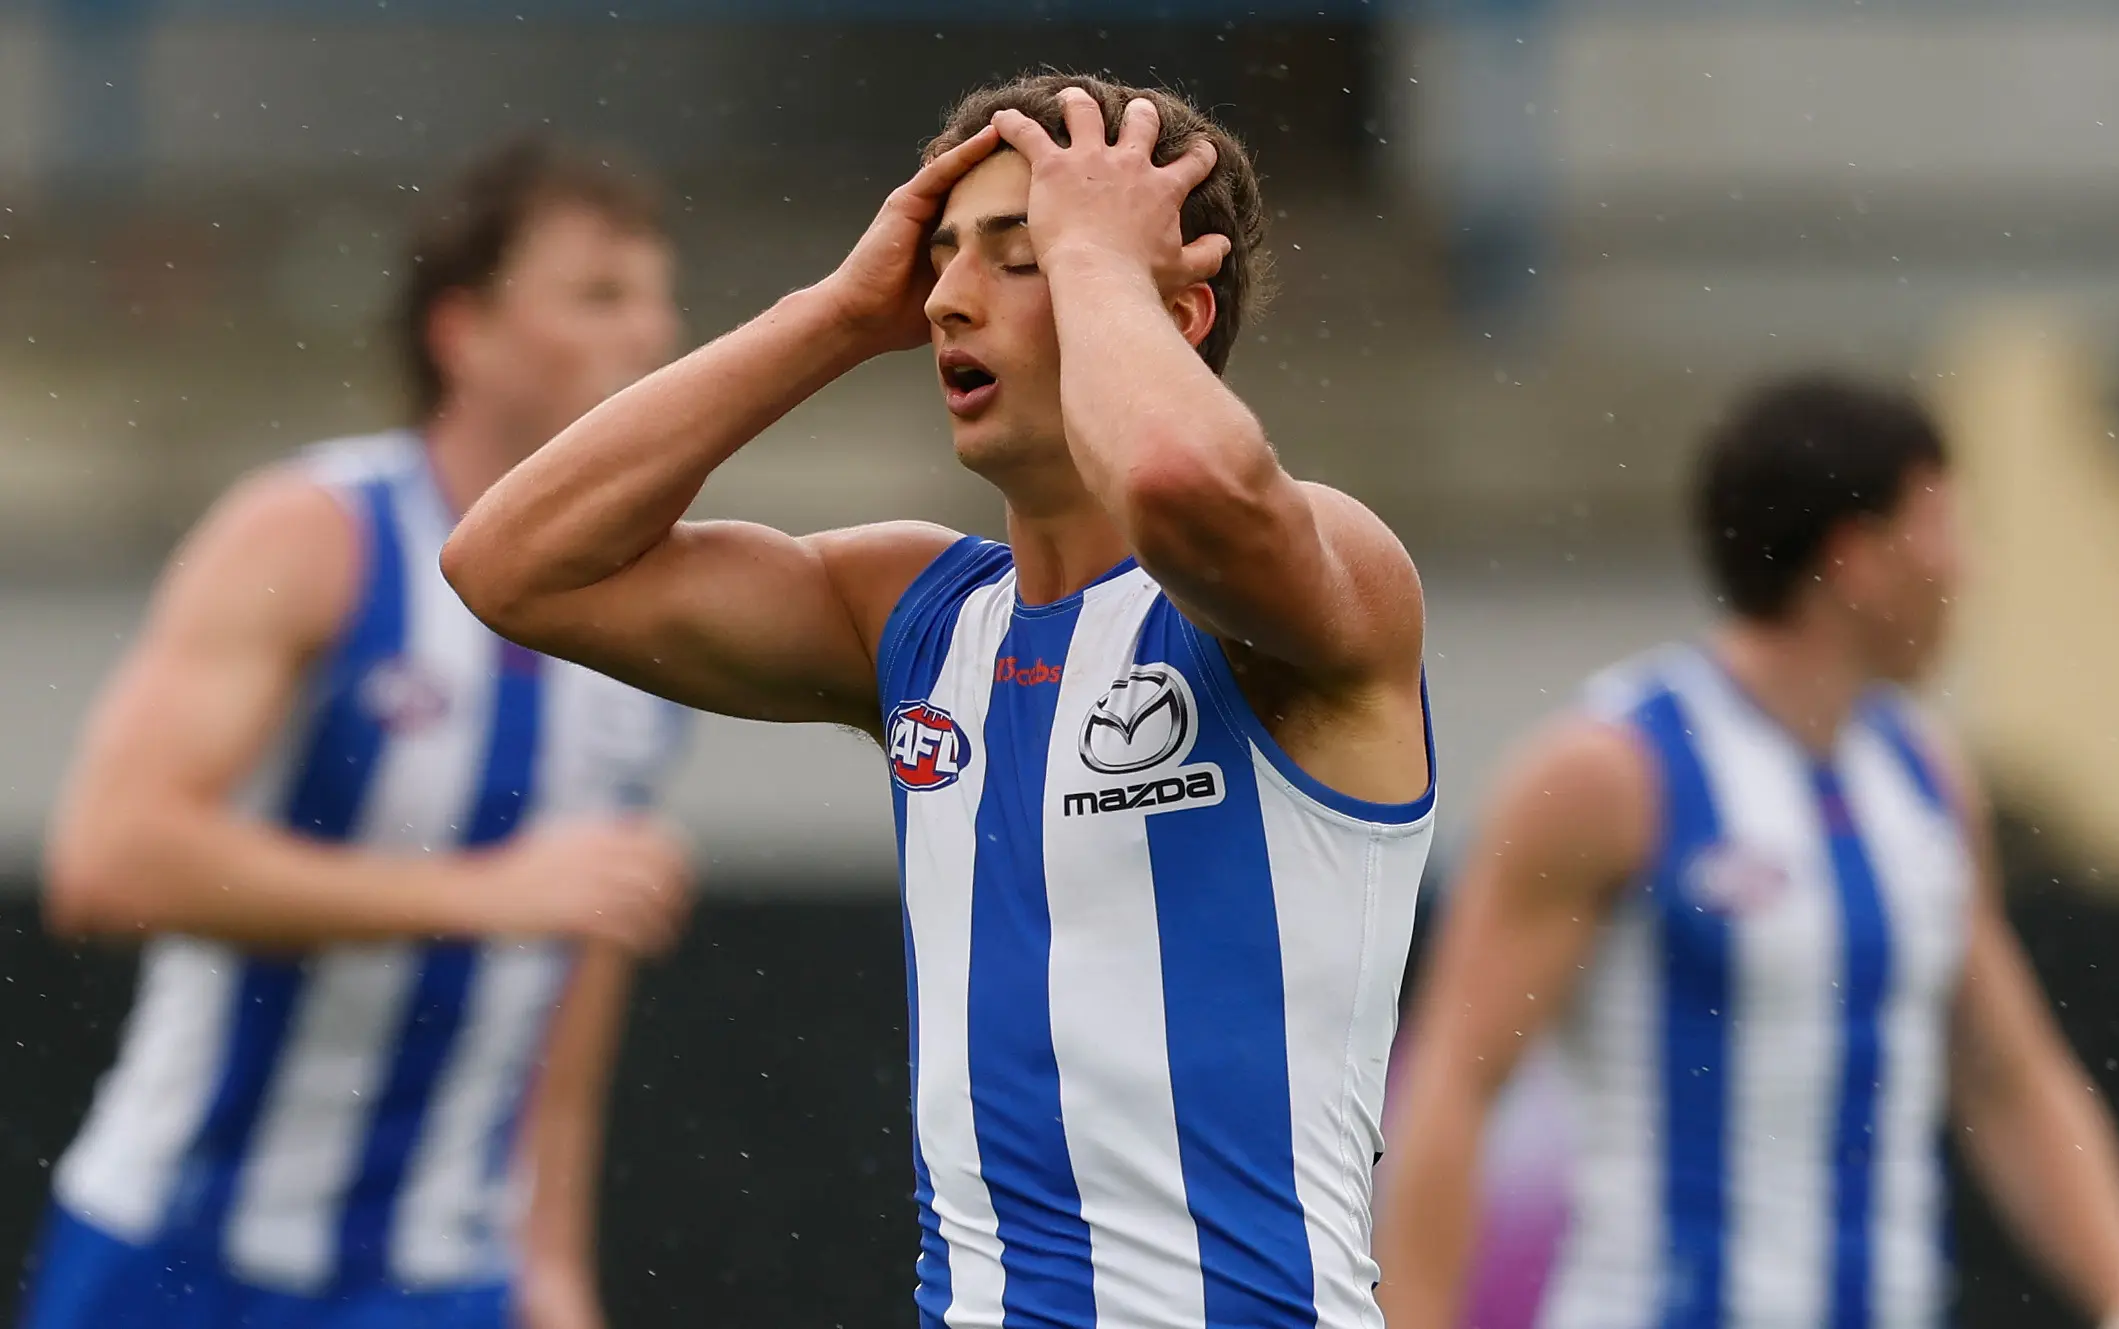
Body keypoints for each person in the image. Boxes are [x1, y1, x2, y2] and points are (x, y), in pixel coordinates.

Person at [443, 74, 1436, 1328]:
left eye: (1021, 258)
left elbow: (1185, 477)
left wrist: (1097, 269)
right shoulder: (914, 615)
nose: (949, 297)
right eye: (942, 257)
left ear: (1173, 308)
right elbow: (509, 564)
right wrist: (837, 315)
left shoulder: (1316, 578)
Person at [24, 135, 693, 1329]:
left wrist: (552, 1263)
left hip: (442, 1283)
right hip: (181, 1260)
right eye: (598, 293)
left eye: (655, 297)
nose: (648, 334)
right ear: (462, 334)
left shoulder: (658, 609)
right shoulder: (313, 534)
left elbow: (577, 940)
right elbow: (109, 862)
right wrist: (481, 895)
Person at [1374, 376, 2119, 1329]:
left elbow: (2007, 1074)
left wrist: (2116, 1288)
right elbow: (1455, 1077)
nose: (1965, 568)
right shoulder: (1614, 772)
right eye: (1941, 526)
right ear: (1856, 558)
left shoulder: (1925, 777)